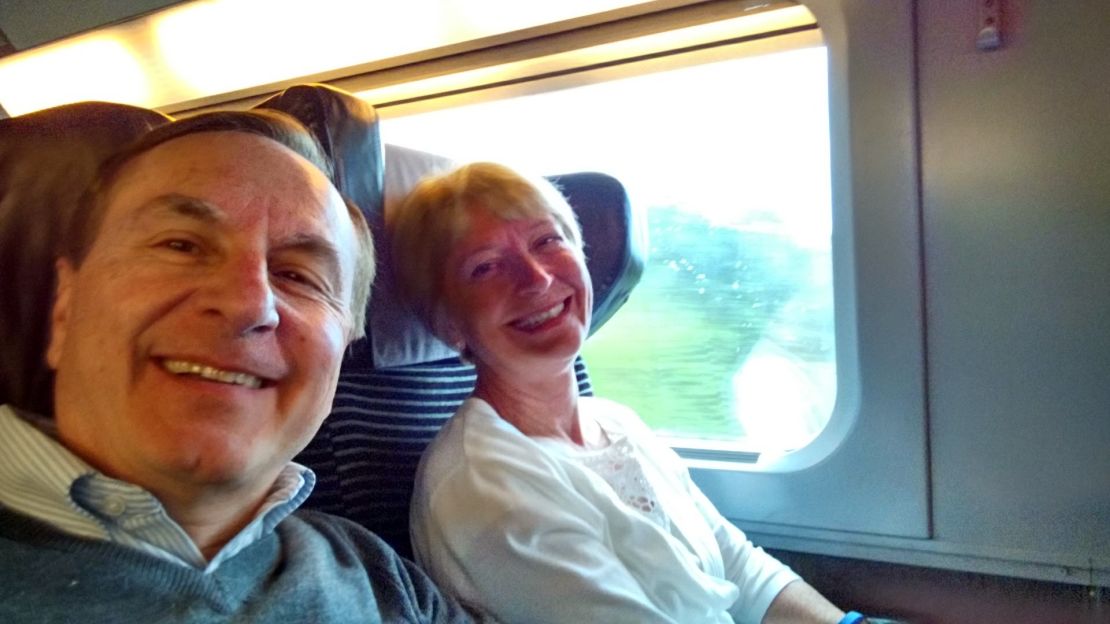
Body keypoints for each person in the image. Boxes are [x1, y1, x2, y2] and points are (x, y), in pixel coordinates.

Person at [0, 110, 482, 622]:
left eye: (299, 275)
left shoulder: (377, 573)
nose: (249, 304)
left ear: (344, 347)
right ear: (64, 307)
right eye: (181, 245)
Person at [392, 162, 865, 624]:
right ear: (449, 323)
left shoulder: (619, 424)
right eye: (487, 267)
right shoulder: (481, 483)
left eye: (547, 240)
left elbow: (742, 569)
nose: (536, 277)